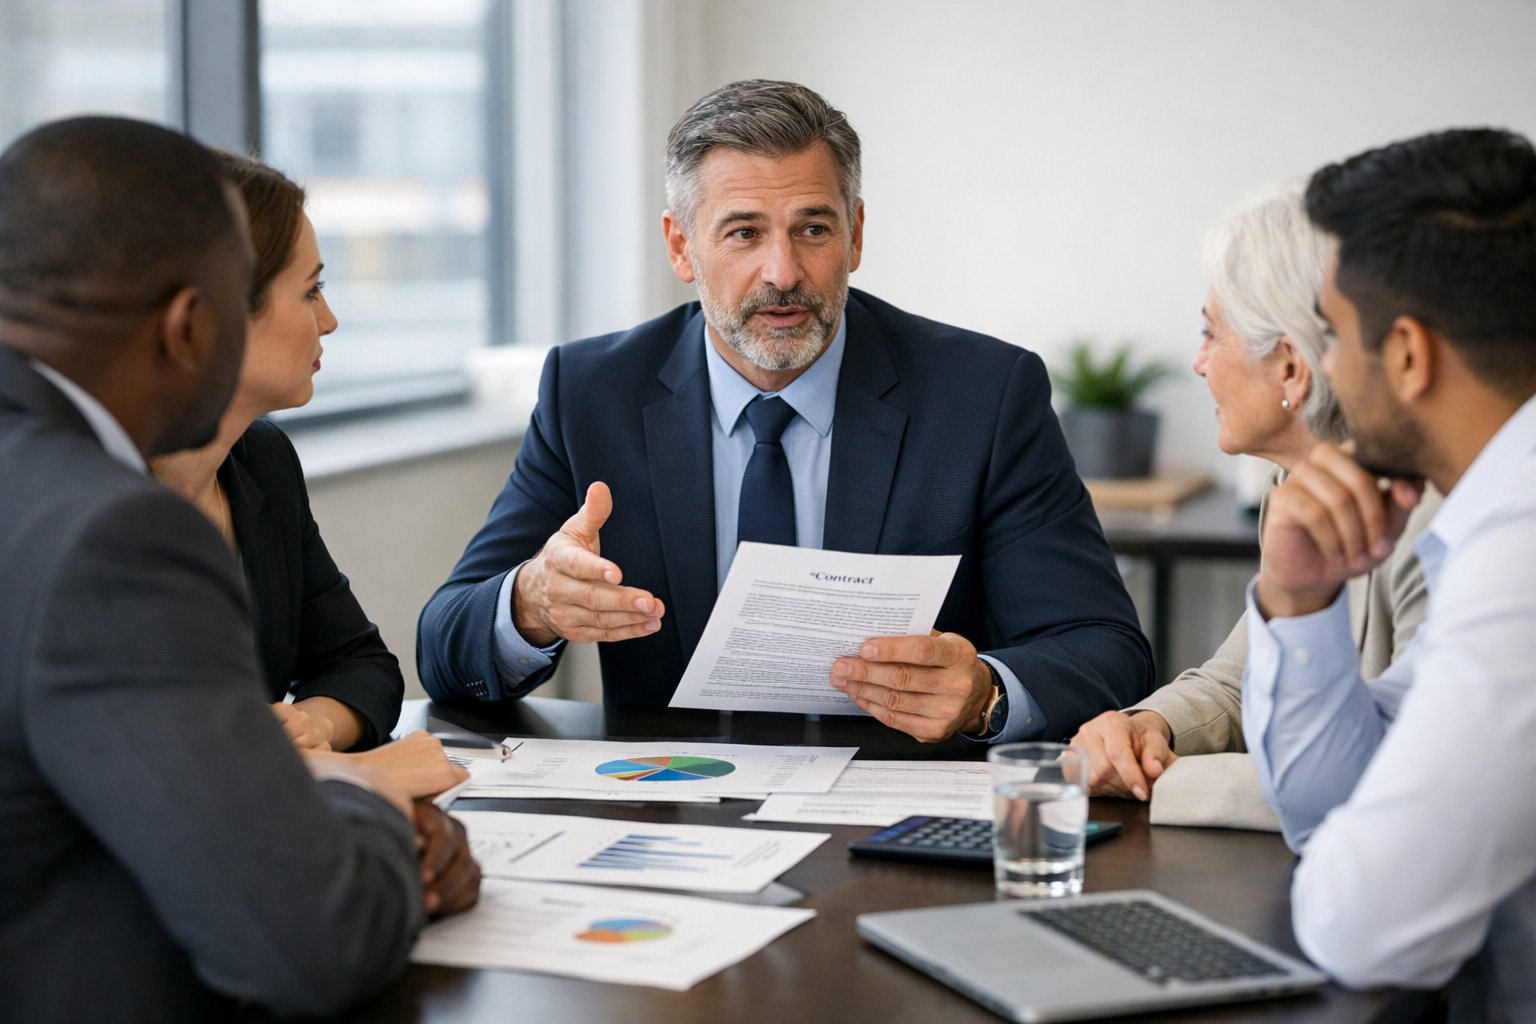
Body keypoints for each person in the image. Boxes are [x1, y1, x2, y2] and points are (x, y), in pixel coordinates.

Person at [418, 79, 1153, 743]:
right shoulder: (591, 392)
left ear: (856, 234)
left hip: (895, 815)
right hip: (676, 811)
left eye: (814, 229)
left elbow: (1103, 647)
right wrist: (530, 605)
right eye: (744, 233)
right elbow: (443, 647)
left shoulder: (983, 396)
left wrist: (985, 694)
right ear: (682, 247)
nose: (784, 273)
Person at [0, 117, 446, 1021]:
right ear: (194, 326)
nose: (329, 319)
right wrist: (369, 807)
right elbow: (311, 941)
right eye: (308, 291)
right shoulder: (113, 534)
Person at [1242, 128, 1536, 1016]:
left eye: (1333, 334)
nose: (1324, 366)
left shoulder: (1522, 555)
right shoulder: (1497, 522)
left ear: (1407, 354)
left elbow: (1364, 928)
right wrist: (1299, 602)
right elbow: (1328, 804)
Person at [1069, 180, 1438, 804]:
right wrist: (1145, 729)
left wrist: (1161, 782)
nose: (1199, 363)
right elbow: (1241, 680)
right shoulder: (1294, 486)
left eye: (1212, 334)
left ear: (1291, 366)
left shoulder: (1431, 517)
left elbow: (1399, 780)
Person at [150, 152, 469, 801]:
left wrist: (312, 724)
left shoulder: (259, 458)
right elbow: (142, 769)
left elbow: (362, 664)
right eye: (310, 290)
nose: (329, 320)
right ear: (212, 317)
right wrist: (356, 775)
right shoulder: (85, 506)